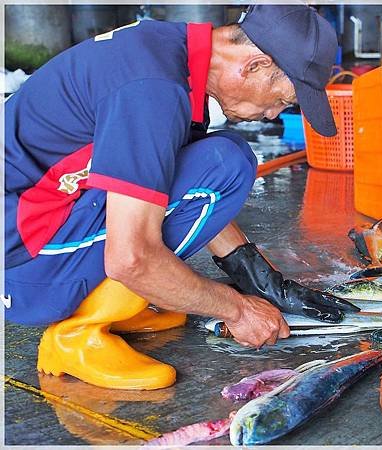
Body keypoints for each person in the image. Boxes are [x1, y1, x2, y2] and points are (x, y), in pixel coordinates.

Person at [4, 5, 359, 390]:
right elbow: (130, 258)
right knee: (226, 162)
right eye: (283, 100)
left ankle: (111, 304)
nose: (274, 114)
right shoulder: (153, 89)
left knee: (217, 163)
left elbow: (178, 187)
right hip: (21, 268)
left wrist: (257, 277)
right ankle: (76, 336)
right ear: (254, 65)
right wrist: (237, 310)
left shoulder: (170, 52)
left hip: (40, 225)